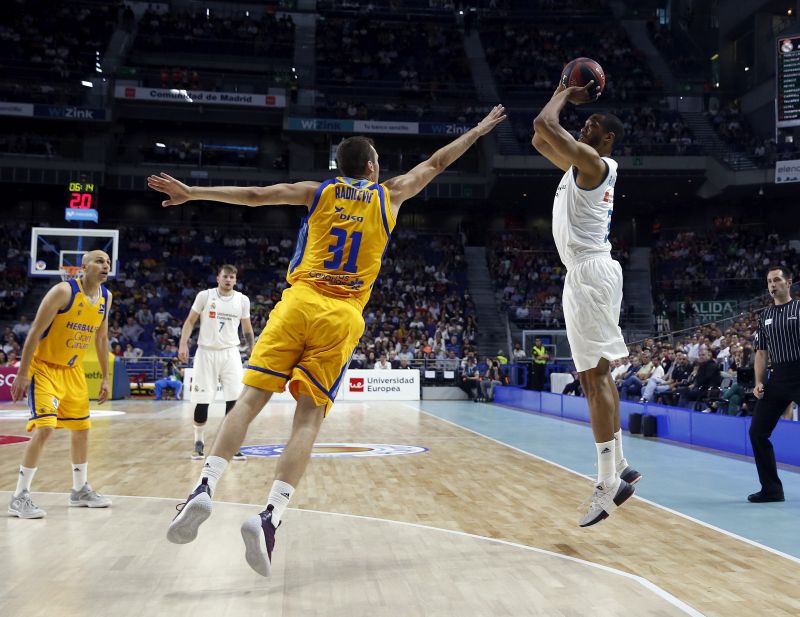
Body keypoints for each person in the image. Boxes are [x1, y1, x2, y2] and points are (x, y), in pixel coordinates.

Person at [149, 105, 506, 575]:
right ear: (372, 167)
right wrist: (478, 129)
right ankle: (271, 516)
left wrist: (193, 191)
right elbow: (437, 163)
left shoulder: (318, 193)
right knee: (307, 421)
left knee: (249, 401)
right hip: (342, 316)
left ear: (341, 168)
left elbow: (256, 195)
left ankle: (205, 487)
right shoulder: (390, 195)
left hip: (298, 302)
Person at [532, 80, 639, 527]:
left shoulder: (595, 163)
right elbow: (540, 137)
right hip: (588, 272)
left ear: (607, 138)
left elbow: (544, 122)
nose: (583, 125)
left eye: (591, 123)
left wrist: (562, 89)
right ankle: (621, 463)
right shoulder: (579, 166)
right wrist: (563, 102)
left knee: (592, 378)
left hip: (590, 272)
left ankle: (607, 481)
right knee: (597, 373)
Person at [8, 251, 113, 518]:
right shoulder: (63, 291)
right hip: (44, 368)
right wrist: (22, 373)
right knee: (45, 428)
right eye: (100, 261)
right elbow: (34, 330)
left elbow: (101, 340)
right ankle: (20, 496)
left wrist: (105, 376)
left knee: (82, 430)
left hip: (73, 370)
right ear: (84, 266)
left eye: (108, 262)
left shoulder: (106, 298)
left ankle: (79, 490)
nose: (105, 265)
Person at [179, 265, 255, 461]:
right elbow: (189, 321)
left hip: (231, 353)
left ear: (235, 280)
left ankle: (229, 444)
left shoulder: (242, 300)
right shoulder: (205, 296)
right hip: (206, 352)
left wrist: (252, 349)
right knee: (202, 401)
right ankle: (198, 441)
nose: (228, 280)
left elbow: (247, 329)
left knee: (234, 401)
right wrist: (183, 344)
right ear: (218, 278)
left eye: (232, 277)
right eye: (225, 277)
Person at [748, 266, 800, 503]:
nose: (772, 284)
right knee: (757, 432)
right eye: (769, 281)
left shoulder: (799, 309)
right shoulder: (765, 315)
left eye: (777, 279)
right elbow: (761, 353)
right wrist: (759, 382)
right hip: (777, 377)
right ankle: (771, 489)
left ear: (789, 283)